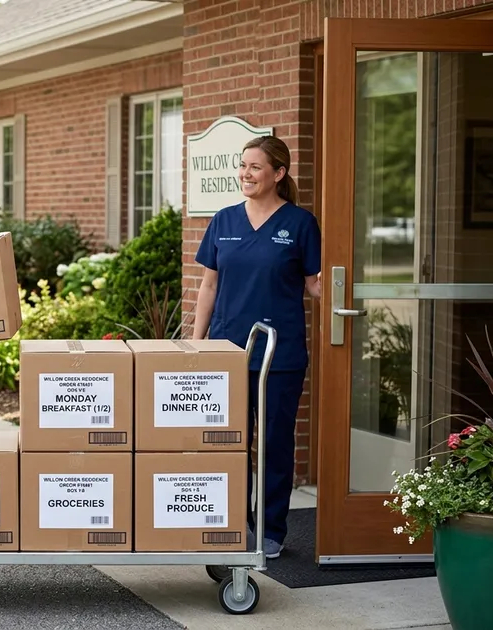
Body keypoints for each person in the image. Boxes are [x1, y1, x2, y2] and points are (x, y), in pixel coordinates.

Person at [192, 135, 322, 559]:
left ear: (279, 174)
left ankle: (270, 529)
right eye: (242, 165)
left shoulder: (301, 224)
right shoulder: (224, 221)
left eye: (255, 167)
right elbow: (209, 286)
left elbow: (316, 285)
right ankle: (232, 524)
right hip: (226, 350)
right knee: (228, 443)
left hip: (278, 355)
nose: (245, 174)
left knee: (272, 444)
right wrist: (196, 345)